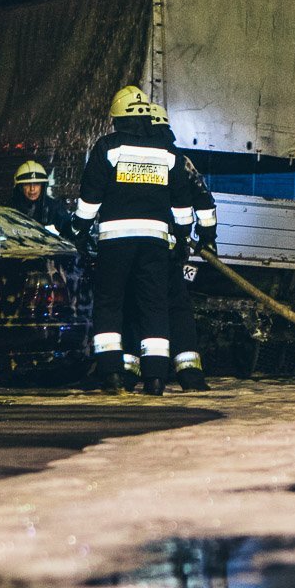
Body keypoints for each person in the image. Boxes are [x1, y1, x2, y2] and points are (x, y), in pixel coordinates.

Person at [71, 86, 194, 396]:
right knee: (154, 306)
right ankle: (155, 378)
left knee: (110, 303)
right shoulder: (167, 152)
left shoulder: (108, 147)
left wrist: (80, 229)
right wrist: (182, 239)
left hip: (114, 241)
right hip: (154, 243)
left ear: (118, 118)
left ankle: (111, 372)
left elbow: (90, 196)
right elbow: (181, 203)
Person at [149, 104, 216, 391]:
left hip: (145, 249)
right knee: (177, 306)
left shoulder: (133, 159)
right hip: (174, 249)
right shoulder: (181, 160)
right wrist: (206, 238)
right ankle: (190, 374)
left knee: (144, 308)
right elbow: (203, 199)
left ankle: (145, 373)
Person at [9, 160, 72, 238]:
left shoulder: (55, 209)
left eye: (36, 184)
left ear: (43, 186)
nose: (32, 189)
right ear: (20, 187)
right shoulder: (9, 209)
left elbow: (70, 237)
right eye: (27, 184)